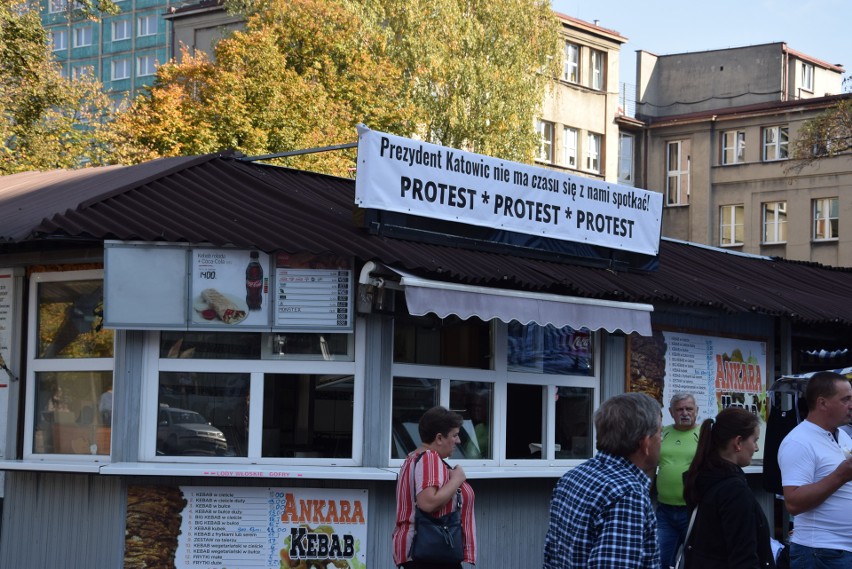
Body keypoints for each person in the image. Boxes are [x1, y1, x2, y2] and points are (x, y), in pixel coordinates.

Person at [543, 392, 662, 569]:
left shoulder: (574, 476)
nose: (662, 440)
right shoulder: (627, 495)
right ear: (645, 443)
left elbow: (551, 555)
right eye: (660, 433)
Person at [681, 407, 775, 569]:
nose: (756, 448)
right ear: (738, 442)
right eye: (754, 440)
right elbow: (743, 557)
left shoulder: (703, 478)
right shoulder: (733, 491)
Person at [777, 372, 852, 569]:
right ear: (822, 403)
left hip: (840, 551)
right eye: (846, 399)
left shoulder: (842, 435)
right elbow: (793, 502)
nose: (851, 405)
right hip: (820, 552)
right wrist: (840, 475)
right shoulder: (799, 441)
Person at [392, 406, 477, 569]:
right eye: (455, 435)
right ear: (439, 438)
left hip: (426, 553)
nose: (458, 441)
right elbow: (428, 502)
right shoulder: (429, 458)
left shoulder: (413, 457)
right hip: (432, 553)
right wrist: (457, 478)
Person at [656, 393, 700, 568]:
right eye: (679, 409)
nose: (685, 413)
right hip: (664, 511)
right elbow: (651, 465)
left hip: (693, 511)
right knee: (660, 560)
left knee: (694, 562)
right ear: (671, 412)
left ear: (696, 410)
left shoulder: (705, 435)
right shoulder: (662, 433)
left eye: (689, 409)